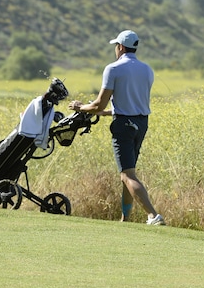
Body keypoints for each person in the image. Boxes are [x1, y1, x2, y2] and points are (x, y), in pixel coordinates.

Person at [68, 30, 164, 225]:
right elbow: (130, 105)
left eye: (115, 46)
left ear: (120, 47)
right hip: (141, 123)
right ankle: (125, 218)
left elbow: (98, 105)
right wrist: (105, 113)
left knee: (127, 175)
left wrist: (79, 107)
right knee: (129, 174)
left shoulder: (113, 69)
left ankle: (153, 215)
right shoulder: (147, 70)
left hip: (123, 126)